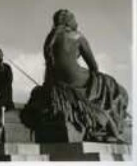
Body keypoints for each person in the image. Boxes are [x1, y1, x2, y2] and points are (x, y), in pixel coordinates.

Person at [21, 9, 130, 143]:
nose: (76, 22)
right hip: (74, 77)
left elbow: (50, 67)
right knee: (107, 82)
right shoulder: (77, 36)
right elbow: (94, 66)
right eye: (74, 19)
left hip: (57, 80)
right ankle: (107, 121)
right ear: (69, 21)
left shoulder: (50, 37)